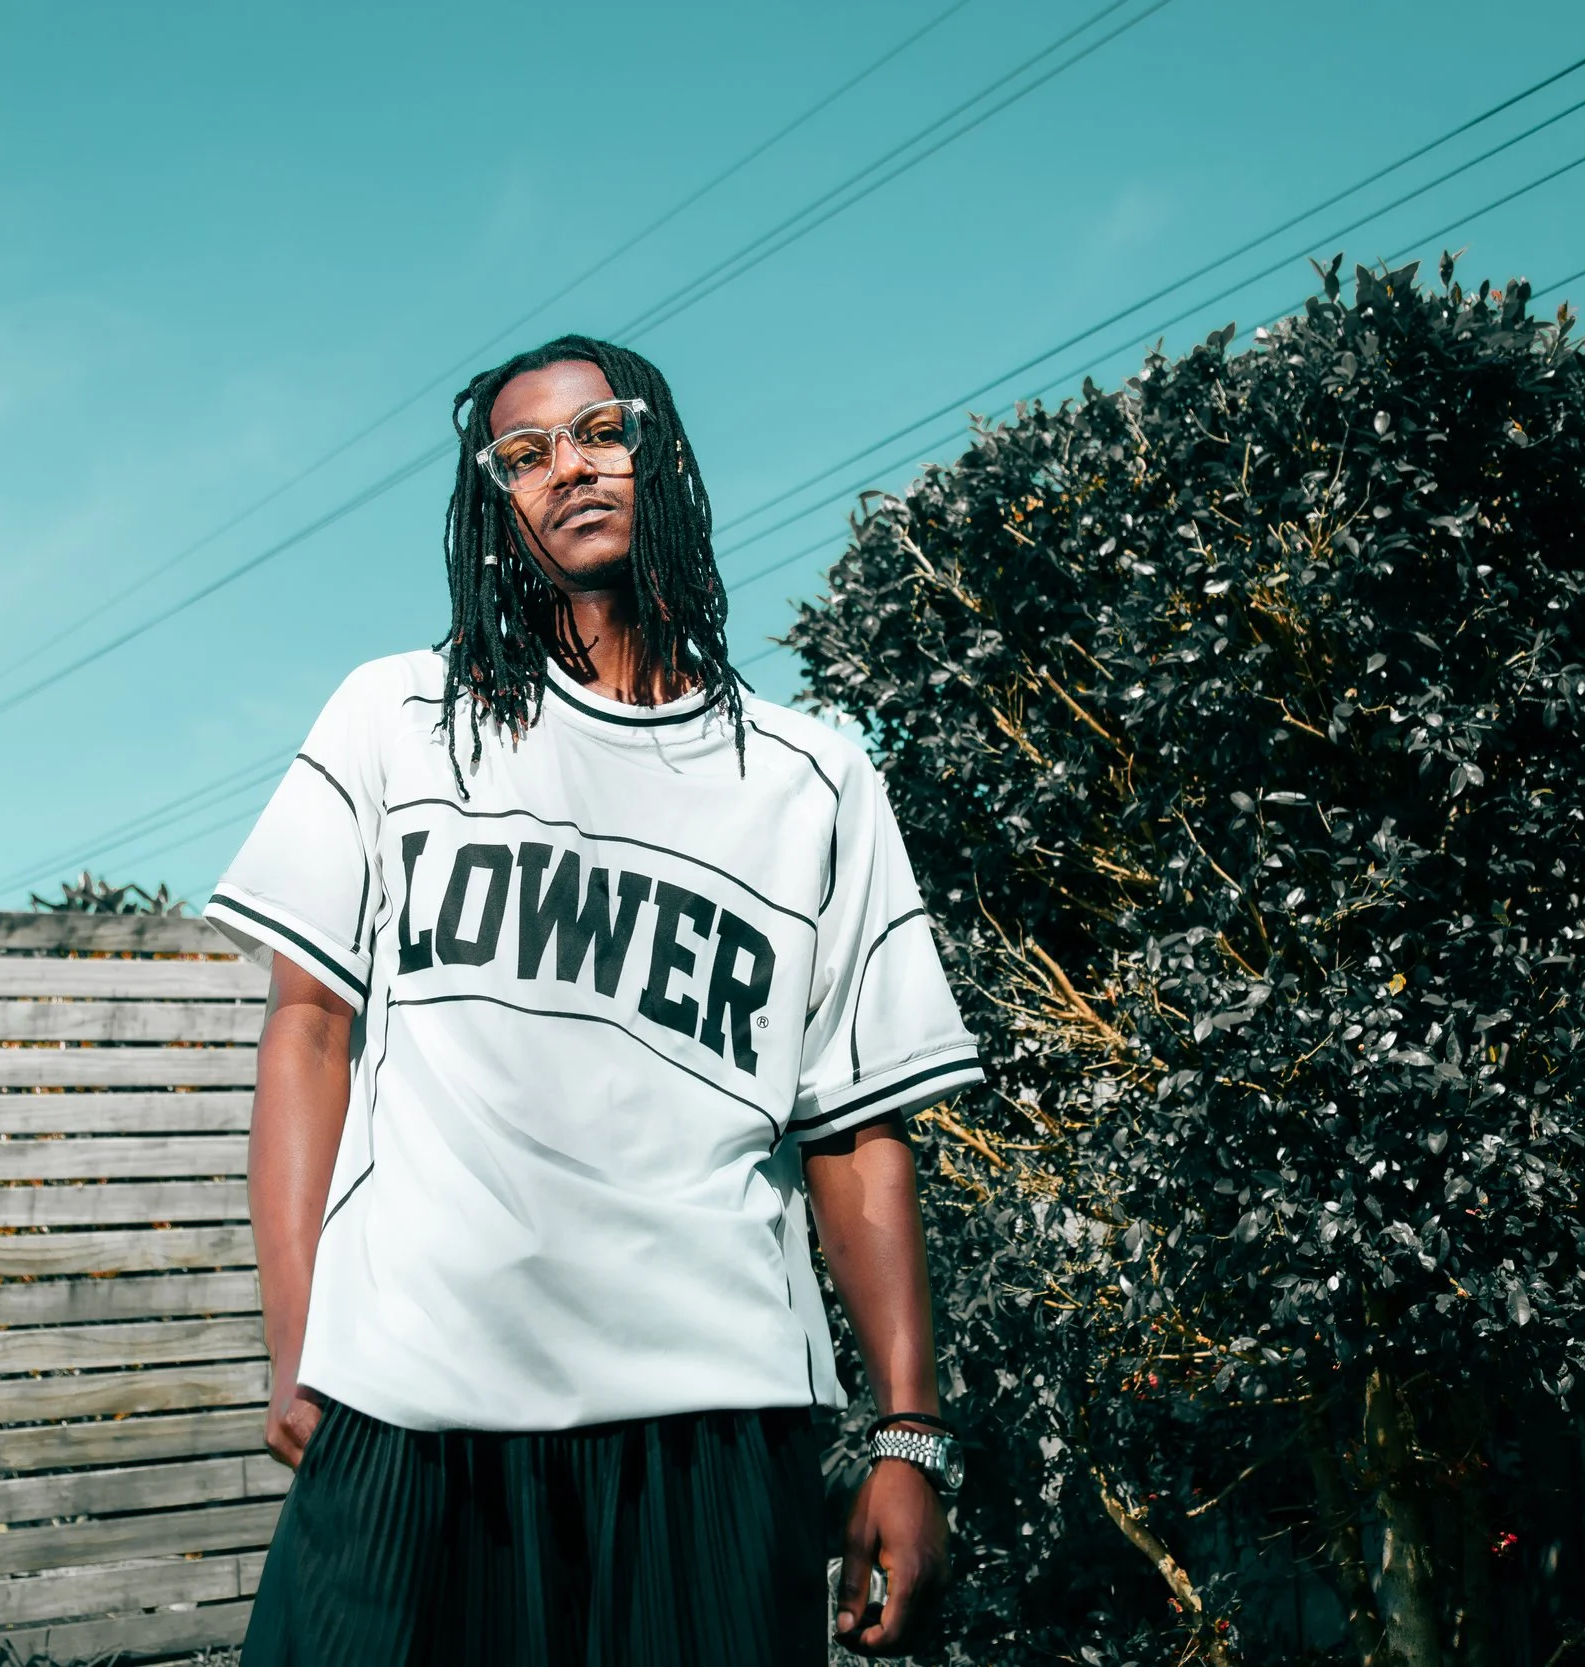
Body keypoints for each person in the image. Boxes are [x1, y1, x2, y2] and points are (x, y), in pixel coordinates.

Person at [208, 335, 982, 1665]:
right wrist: (298, 1339)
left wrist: (908, 1433)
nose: (566, 467)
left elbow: (854, 1127)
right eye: (522, 454)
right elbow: (310, 1027)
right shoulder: (398, 718)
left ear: (662, 449)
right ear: (496, 503)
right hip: (417, 1399)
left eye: (600, 431)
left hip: (713, 1423)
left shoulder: (812, 778)